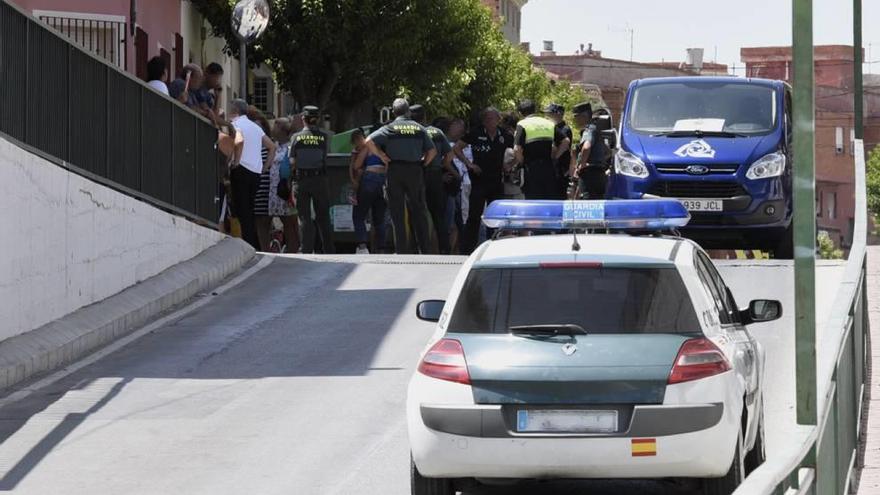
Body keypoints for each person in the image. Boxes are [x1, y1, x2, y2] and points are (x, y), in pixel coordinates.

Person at [365, 98, 437, 254]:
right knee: (419, 210)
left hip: (395, 170)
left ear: (393, 112)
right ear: (408, 111)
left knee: (397, 212)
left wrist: (382, 156)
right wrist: (423, 163)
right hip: (414, 170)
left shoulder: (390, 127)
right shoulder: (419, 128)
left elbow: (368, 141)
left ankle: (402, 250)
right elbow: (432, 151)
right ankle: (424, 250)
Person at [453, 107, 513, 254]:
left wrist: (509, 165)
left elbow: (516, 151)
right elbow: (457, 148)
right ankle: (467, 250)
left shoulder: (505, 135)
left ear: (498, 120)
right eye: (486, 119)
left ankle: (494, 247)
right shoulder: (475, 133)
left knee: (495, 217)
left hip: (496, 182)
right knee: (474, 217)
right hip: (479, 181)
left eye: (492, 118)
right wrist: (470, 164)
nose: (489, 121)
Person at [228, 99, 274, 250]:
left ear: (235, 111)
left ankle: (249, 246)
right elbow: (271, 147)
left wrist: (236, 162)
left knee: (242, 211)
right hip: (255, 174)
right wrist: (264, 168)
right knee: (250, 210)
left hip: (241, 169)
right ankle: (254, 245)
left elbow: (238, 142)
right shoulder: (255, 127)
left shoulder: (236, 124)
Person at [411, 105, 458, 254]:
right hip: (435, 175)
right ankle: (445, 249)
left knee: (417, 212)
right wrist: (442, 164)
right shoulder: (436, 132)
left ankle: (419, 248)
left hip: (417, 174)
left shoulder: (411, 132)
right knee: (438, 214)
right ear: (424, 117)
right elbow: (450, 155)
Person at [291, 106, 335, 254]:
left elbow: (292, 162)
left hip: (302, 180)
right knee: (323, 216)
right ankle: (328, 250)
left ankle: (306, 249)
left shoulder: (296, 137)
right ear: (318, 119)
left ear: (303, 119)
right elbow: (325, 156)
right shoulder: (325, 137)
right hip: (320, 179)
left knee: (304, 217)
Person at [513, 100, 570, 200]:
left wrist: (522, 162)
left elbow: (517, 148)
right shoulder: (548, 123)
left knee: (533, 199)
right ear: (535, 110)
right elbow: (566, 141)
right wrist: (555, 157)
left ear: (520, 113)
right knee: (549, 198)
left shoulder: (522, 124)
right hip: (549, 167)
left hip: (531, 168)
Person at [350, 129, 387, 255]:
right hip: (383, 181)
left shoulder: (369, 146)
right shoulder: (386, 147)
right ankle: (381, 249)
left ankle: (362, 247)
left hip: (370, 179)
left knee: (359, 215)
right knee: (380, 218)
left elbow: (356, 165)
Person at [265, 117, 300, 253]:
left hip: (286, 191)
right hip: (273, 192)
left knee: (289, 223)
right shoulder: (274, 146)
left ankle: (293, 251)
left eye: (275, 126)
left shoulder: (290, 147)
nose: (272, 129)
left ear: (282, 130)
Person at [249, 106, 279, 251]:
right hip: (258, 187)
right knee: (259, 221)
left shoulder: (270, 145)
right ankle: (264, 249)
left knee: (266, 220)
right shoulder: (251, 147)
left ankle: (269, 247)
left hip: (269, 187)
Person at [571, 102, 610, 199]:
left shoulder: (589, 130)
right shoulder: (597, 130)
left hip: (589, 175)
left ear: (584, 116)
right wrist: (598, 161)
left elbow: (586, 147)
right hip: (600, 173)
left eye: (576, 116)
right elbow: (608, 152)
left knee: (587, 204)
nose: (575, 120)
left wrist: (583, 164)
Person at [446, 118, 470, 254]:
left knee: (460, 220)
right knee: (453, 221)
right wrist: (456, 176)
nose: (461, 132)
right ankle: (451, 251)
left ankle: (458, 250)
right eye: (458, 128)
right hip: (453, 187)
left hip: (461, 187)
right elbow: (446, 163)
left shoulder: (466, 146)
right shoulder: (447, 144)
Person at [545, 103, 573, 199]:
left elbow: (561, 146)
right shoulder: (554, 128)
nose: (547, 117)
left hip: (561, 168)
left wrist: (554, 158)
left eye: (550, 114)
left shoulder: (564, 129)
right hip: (555, 168)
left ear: (558, 114)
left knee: (559, 195)